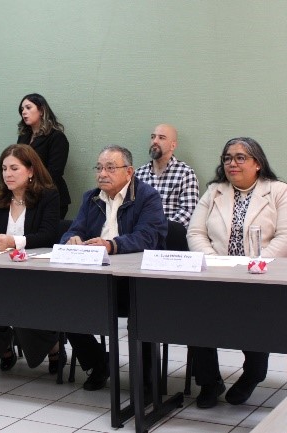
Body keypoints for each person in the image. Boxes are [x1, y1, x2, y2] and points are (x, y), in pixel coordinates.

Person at [187, 137, 287, 409]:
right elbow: (195, 232)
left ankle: (253, 373)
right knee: (193, 310)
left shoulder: (278, 191)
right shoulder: (214, 191)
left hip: (265, 277)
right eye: (227, 158)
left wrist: (258, 264)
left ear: (257, 163)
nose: (232, 163)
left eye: (240, 157)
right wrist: (214, 262)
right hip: (218, 275)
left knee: (254, 311)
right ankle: (209, 381)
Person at [61, 145, 167, 391]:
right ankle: (98, 363)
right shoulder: (91, 198)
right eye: (99, 168)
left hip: (135, 281)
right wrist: (71, 239)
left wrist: (111, 245)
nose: (102, 174)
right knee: (64, 302)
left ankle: (147, 382)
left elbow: (148, 237)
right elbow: (73, 229)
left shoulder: (147, 197)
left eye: (110, 168)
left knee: (141, 313)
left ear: (129, 171)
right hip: (97, 278)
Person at [0, 144, 61, 373]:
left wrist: (13, 241)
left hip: (36, 272)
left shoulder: (48, 196)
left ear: (31, 170)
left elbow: (49, 235)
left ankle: (53, 346)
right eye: (4, 169)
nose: (7, 174)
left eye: (14, 168)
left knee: (21, 302)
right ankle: (4, 348)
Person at [135, 124, 199, 228]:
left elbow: (188, 213)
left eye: (161, 138)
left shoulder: (185, 173)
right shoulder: (138, 174)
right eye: (153, 137)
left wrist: (159, 230)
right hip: (140, 234)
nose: (155, 141)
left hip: (171, 234)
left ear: (173, 145)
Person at [17, 93, 71, 217]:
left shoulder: (56, 137)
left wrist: (31, 186)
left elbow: (55, 172)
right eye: (22, 109)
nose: (24, 112)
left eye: (28, 108)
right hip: (27, 195)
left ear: (41, 111)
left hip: (50, 196)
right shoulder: (23, 136)